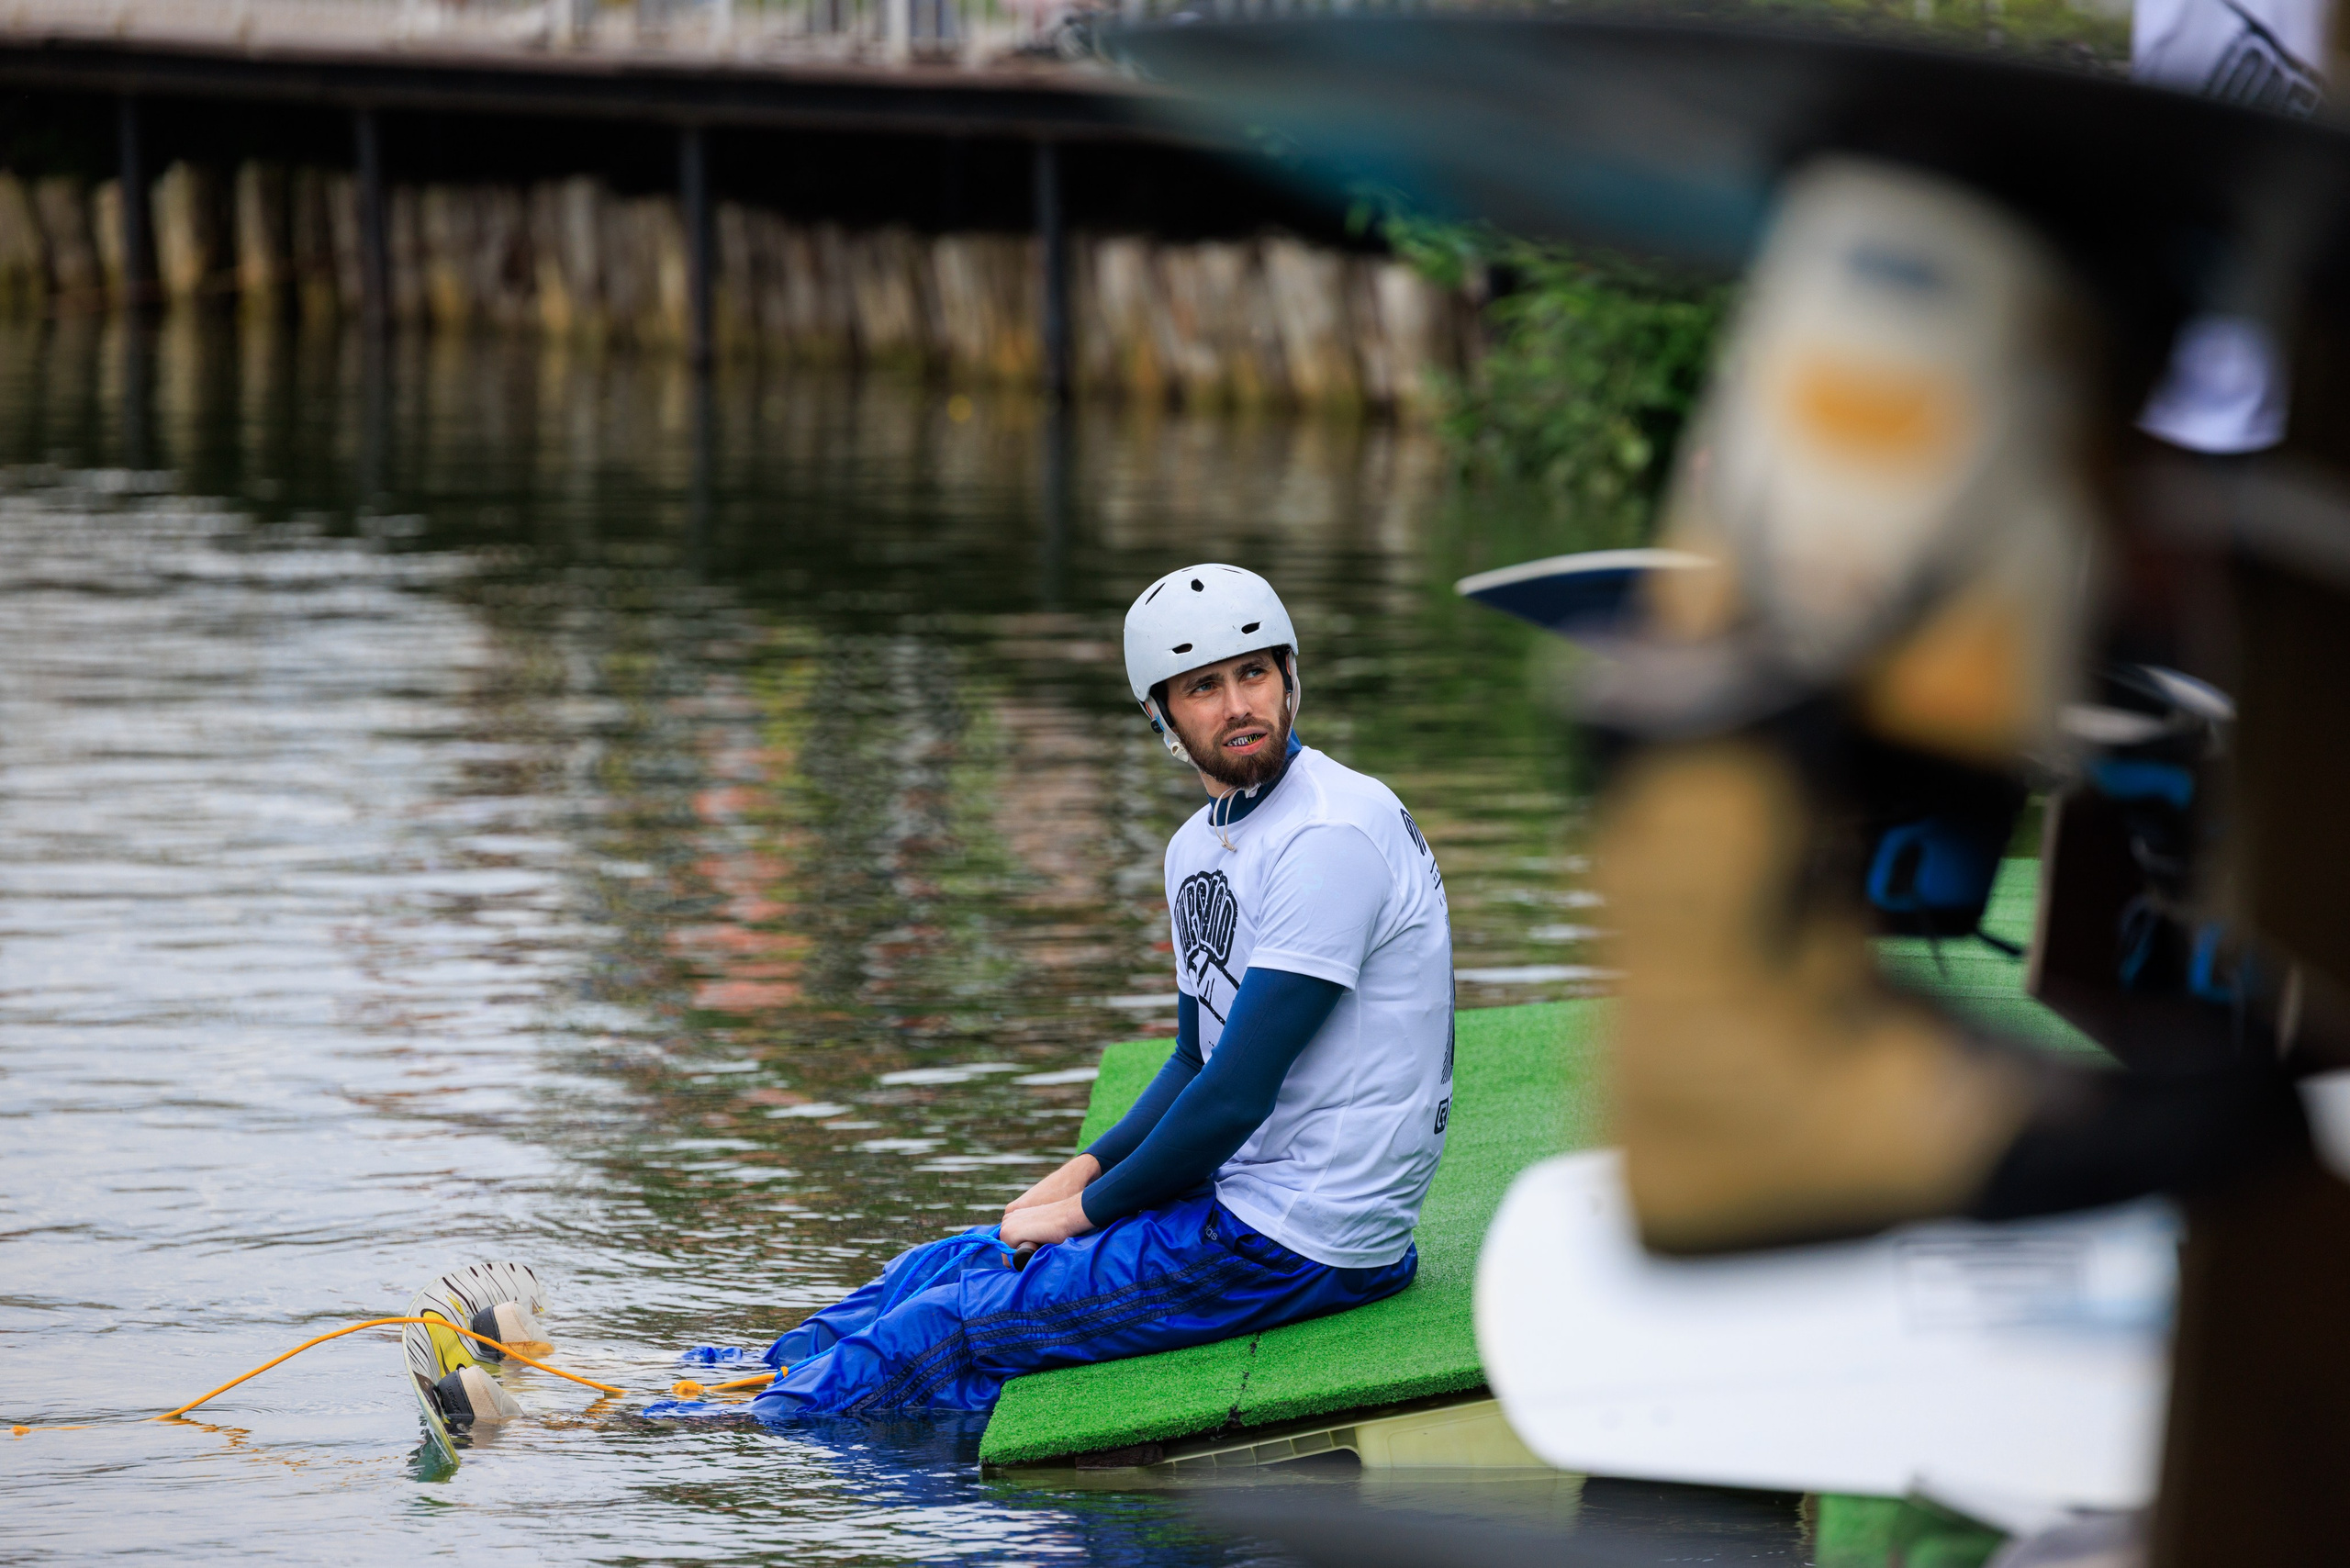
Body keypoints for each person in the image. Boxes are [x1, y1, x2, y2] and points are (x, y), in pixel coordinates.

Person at [733, 563, 1456, 1417]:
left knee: (944, 1331)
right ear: (1160, 715)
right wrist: (1068, 1178)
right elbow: (1194, 1059)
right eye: (1202, 688)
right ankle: (731, 1375)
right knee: (941, 1266)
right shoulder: (1198, 845)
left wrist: (1080, 1214)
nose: (1237, 707)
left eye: (1253, 673)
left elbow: (1232, 1097)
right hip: (1243, 1199)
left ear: (1290, 675)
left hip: (1305, 1237)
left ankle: (708, 1436)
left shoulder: (1333, 833)